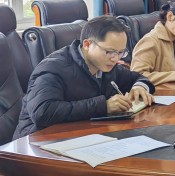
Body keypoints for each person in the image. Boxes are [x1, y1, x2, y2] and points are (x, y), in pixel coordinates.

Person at [14, 16, 155, 138]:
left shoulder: (106, 66)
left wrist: (139, 87)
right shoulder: (53, 68)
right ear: (87, 44)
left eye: (120, 52)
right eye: (110, 51)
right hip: (37, 141)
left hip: (82, 135)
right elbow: (42, 112)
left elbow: (138, 78)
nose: (116, 58)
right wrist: (104, 106)